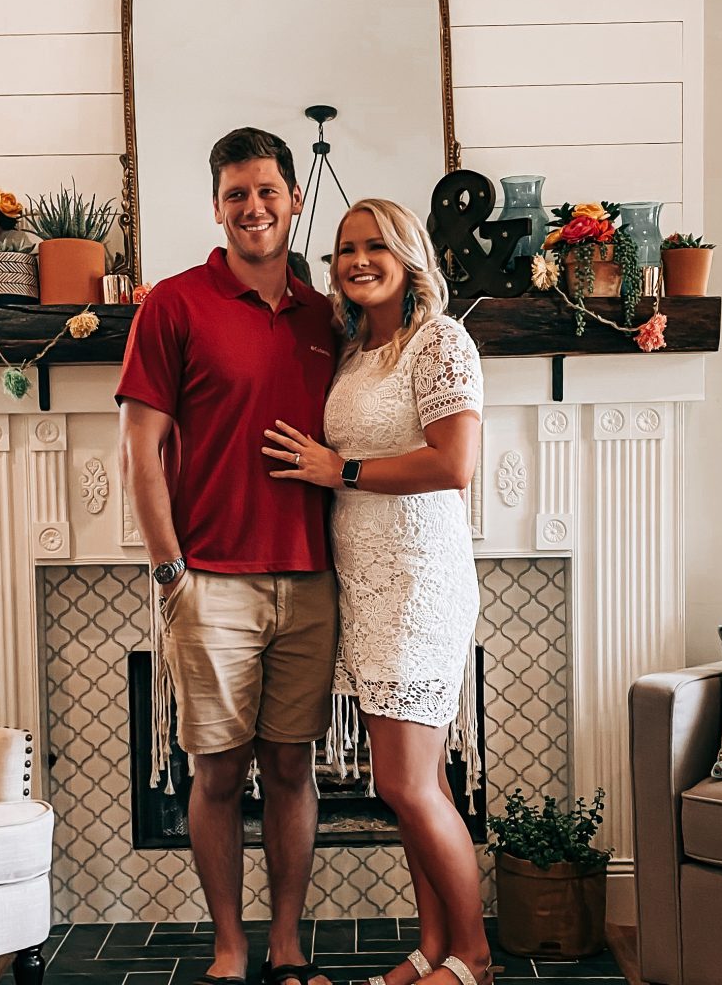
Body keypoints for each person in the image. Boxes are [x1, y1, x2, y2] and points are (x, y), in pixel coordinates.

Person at [116, 127, 338, 985]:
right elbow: (141, 450)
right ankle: (229, 948)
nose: (254, 207)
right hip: (208, 579)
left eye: (269, 191)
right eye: (237, 193)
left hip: (312, 578)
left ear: (292, 200)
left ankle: (285, 946)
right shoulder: (173, 305)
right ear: (217, 206)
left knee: (291, 764)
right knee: (217, 771)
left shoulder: (327, 316)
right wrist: (170, 569)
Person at [262, 199, 490, 985]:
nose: (357, 260)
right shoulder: (358, 353)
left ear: (407, 253)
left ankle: (475, 957)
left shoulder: (440, 343)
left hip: (420, 580)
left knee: (402, 781)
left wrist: (340, 470)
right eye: (343, 250)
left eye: (374, 246)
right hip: (363, 584)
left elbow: (453, 464)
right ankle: (432, 950)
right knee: (410, 786)